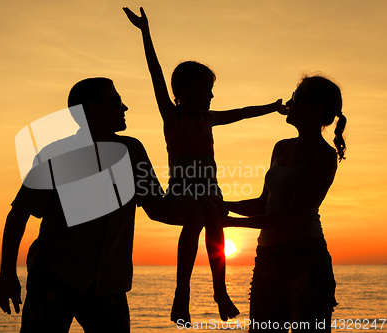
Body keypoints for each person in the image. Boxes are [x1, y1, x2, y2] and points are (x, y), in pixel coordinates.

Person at [123, 7, 286, 324]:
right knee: (196, 215)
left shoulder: (208, 119)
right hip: (180, 193)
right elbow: (155, 74)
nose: (211, 96)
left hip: (210, 191)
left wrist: (272, 107)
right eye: (206, 90)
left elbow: (241, 112)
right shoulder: (174, 117)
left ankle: (219, 290)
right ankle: (181, 294)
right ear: (184, 93)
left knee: (212, 214)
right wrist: (145, 32)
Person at [0, 77, 180, 333]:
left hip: (108, 282)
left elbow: (157, 209)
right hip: (56, 276)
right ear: (94, 108)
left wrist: (209, 213)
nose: (124, 107)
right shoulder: (55, 155)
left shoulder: (133, 151)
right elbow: (19, 214)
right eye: (117, 101)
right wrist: (7, 275)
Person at [223, 75, 346, 332]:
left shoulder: (324, 156)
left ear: (317, 110)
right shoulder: (281, 147)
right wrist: (223, 204)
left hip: (305, 259)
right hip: (267, 258)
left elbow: (292, 218)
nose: (289, 102)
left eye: (297, 97)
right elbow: (263, 204)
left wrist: (231, 222)